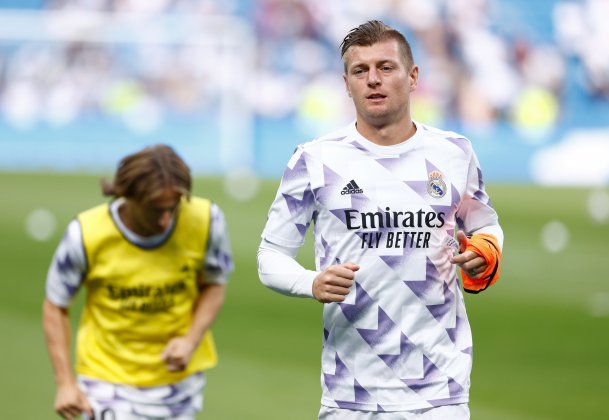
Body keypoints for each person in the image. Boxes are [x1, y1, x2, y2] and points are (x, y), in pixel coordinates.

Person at [257, 20, 503, 419]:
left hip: (441, 390)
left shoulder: (454, 153)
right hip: (351, 394)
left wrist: (488, 250)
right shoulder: (315, 159)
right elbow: (270, 256)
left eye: (386, 67)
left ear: (413, 76)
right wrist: (311, 282)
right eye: (361, 70)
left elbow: (484, 225)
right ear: (346, 83)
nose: (373, 79)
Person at [43, 144, 233, 420]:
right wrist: (64, 383)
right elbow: (55, 305)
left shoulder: (207, 220)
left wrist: (191, 340)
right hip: (106, 379)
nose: (166, 219)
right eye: (156, 209)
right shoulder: (85, 235)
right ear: (127, 195)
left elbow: (215, 284)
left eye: (174, 207)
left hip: (178, 384)